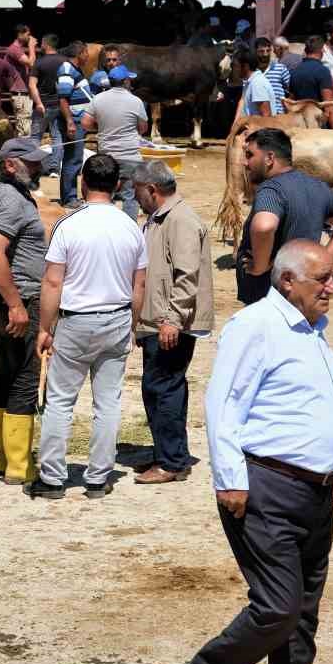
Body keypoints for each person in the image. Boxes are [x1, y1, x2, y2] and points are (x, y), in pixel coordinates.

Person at [182, 239, 333, 664]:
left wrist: (329, 470)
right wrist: (229, 478)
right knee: (278, 606)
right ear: (287, 281)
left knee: (303, 611)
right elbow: (224, 403)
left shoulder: (313, 331)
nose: (332, 287)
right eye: (322, 278)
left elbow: (305, 409)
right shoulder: (256, 326)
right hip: (264, 488)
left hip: (314, 492)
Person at [26, 155, 148, 499]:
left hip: (75, 320)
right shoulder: (131, 227)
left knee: (60, 402)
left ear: (82, 183)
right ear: (118, 186)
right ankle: (98, 477)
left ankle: (52, 477)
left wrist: (45, 327)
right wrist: (133, 324)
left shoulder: (69, 225)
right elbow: (139, 285)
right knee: (107, 402)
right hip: (117, 317)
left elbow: (52, 283)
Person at [0, 137, 52, 486]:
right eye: (31, 162)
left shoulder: (4, 193)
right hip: (19, 300)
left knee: (5, 375)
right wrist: (17, 304)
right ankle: (19, 467)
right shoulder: (10, 199)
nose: (37, 167)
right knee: (24, 377)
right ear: (10, 165)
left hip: (4, 298)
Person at [132, 159, 213, 485]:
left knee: (163, 388)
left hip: (169, 322)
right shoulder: (161, 219)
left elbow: (186, 275)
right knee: (161, 388)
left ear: (152, 189)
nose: (135, 197)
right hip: (159, 319)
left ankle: (171, 462)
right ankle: (170, 455)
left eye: (138, 191)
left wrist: (172, 320)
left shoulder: (180, 220)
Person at [235, 128, 333, 304]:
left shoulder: (271, 189)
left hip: (269, 297)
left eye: (249, 155)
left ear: (269, 158)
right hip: (303, 297)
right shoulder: (316, 186)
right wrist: (319, 261)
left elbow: (264, 226)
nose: (244, 162)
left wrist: (260, 266)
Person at [81, 65, 150, 220]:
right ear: (125, 81)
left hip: (107, 156)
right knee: (130, 197)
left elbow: (85, 123)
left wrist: (100, 126)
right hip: (130, 156)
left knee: (105, 195)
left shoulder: (98, 99)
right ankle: (128, 227)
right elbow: (143, 128)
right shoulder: (136, 101)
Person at [32, 37, 85, 205]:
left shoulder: (42, 63)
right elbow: (64, 95)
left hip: (51, 108)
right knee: (64, 148)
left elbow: (33, 85)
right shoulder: (67, 66)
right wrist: (69, 119)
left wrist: (39, 103)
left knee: (38, 139)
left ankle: (36, 173)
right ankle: (61, 180)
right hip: (67, 113)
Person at [231, 47, 280, 117]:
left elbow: (266, 116)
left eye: (235, 66)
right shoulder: (250, 82)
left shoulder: (257, 83)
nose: (233, 69)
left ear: (245, 66)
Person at [289, 35, 333, 106]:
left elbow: (291, 100)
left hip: (299, 115)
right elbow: (329, 104)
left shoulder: (294, 71)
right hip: (317, 115)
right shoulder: (323, 71)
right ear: (322, 50)